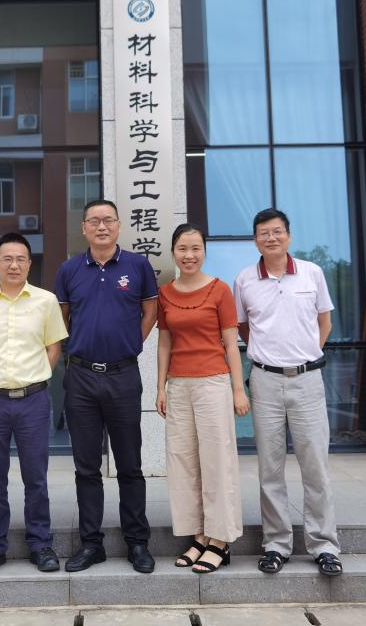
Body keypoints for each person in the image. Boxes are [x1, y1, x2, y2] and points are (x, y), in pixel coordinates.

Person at [234, 208, 342, 577]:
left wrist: (306, 354)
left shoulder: (312, 273)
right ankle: (276, 544)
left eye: (277, 231)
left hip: (307, 380)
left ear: (288, 235)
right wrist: (270, 356)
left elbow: (324, 322)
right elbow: (244, 328)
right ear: (255, 240)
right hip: (265, 380)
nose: (271, 238)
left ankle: (324, 545)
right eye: (263, 233)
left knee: (316, 467)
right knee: (270, 468)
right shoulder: (245, 279)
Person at [54, 199, 159, 574]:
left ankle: (137, 543)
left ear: (119, 226)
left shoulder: (137, 265)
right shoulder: (69, 270)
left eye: (108, 220)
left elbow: (151, 310)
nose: (102, 227)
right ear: (84, 227)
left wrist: (132, 343)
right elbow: (61, 319)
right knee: (86, 467)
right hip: (81, 376)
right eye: (94, 221)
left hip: (123, 375)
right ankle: (91, 544)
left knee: (130, 464)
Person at [0, 232, 69, 575]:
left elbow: (54, 346)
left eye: (21, 259)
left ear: (29, 264)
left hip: (33, 400)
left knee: (35, 477)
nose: (14, 265)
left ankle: (41, 544)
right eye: (7, 259)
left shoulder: (46, 301)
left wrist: (36, 376)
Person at [155, 223, 249, 574]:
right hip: (179, 385)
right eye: (182, 248)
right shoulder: (165, 293)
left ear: (205, 252)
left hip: (212, 382)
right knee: (184, 462)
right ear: (173, 252)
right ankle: (199, 535)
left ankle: (220, 540)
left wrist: (238, 389)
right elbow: (164, 343)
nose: (189, 255)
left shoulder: (219, 290)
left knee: (217, 461)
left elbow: (231, 345)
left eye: (195, 248)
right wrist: (160, 387)